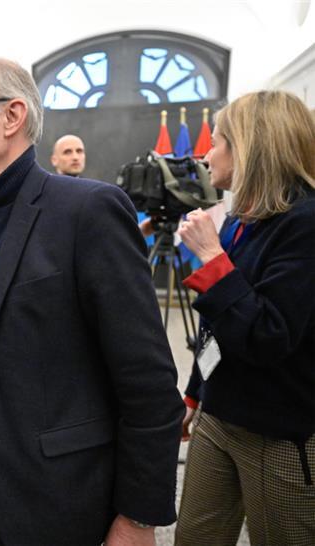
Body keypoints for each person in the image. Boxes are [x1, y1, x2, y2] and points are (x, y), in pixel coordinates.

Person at [0, 57, 185, 545]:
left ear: (12, 116)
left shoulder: (87, 212)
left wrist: (137, 518)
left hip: (61, 497)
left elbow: (148, 383)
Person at [175, 90, 315, 546]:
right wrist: (195, 393)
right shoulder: (243, 219)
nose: (206, 154)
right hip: (219, 414)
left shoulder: (304, 223)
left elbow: (268, 335)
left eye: (217, 141)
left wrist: (212, 258)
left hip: (279, 431)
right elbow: (217, 325)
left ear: (251, 147)